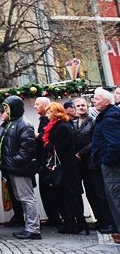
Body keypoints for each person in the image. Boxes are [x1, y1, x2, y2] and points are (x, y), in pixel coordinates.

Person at [0, 96, 40, 240]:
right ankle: (29, 227)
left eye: (7, 108)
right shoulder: (12, 123)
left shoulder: (23, 124)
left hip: (20, 168)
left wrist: (15, 162)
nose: (5, 111)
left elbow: (27, 149)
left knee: (27, 198)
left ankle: (33, 229)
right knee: (22, 198)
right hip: (13, 168)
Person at [41, 102, 86, 234]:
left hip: (66, 166)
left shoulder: (61, 127)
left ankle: (73, 224)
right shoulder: (62, 126)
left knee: (68, 196)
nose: (47, 115)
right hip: (67, 165)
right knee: (69, 196)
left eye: (49, 112)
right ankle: (77, 222)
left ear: (55, 113)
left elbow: (59, 148)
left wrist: (47, 145)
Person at [74, 97, 112, 231]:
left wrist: (80, 153)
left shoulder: (93, 121)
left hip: (92, 161)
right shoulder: (74, 123)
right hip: (81, 164)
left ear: (88, 106)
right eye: (78, 106)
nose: (81, 108)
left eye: (83, 105)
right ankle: (99, 220)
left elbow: (94, 142)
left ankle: (108, 221)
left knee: (99, 193)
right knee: (89, 192)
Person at [91, 87, 120, 243]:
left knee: (116, 197)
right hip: (109, 164)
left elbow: (115, 144)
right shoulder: (107, 115)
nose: (94, 101)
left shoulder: (111, 117)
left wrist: (106, 160)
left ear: (107, 101)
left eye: (97, 98)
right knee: (113, 198)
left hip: (113, 165)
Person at [33, 96, 62, 227]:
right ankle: (53, 217)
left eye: (37, 104)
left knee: (51, 191)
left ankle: (56, 217)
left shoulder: (50, 123)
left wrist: (37, 136)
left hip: (48, 161)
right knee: (45, 192)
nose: (34, 106)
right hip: (43, 161)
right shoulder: (43, 120)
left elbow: (47, 140)